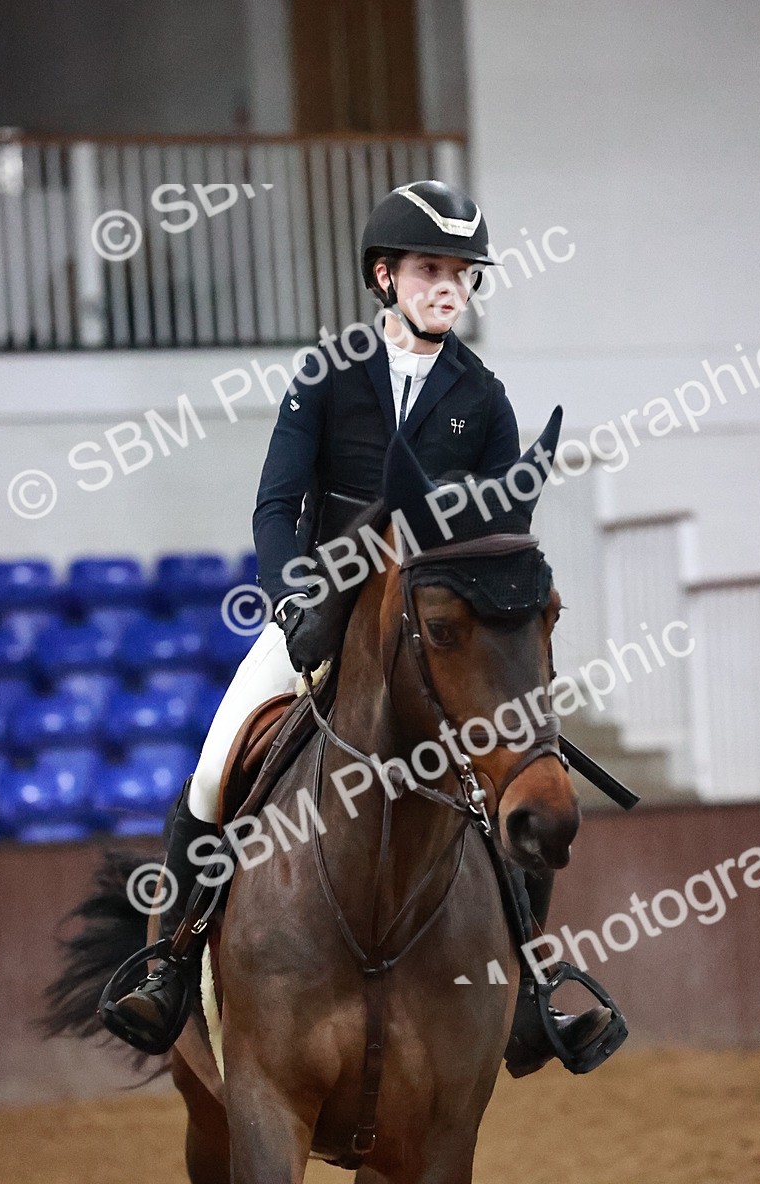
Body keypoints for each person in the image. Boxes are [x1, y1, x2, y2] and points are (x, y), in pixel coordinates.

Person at [100, 180, 622, 1073]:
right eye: (430, 270)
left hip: (431, 630)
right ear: (385, 276)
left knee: (520, 775)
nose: (449, 287)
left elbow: (503, 534)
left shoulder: (483, 397)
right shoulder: (329, 374)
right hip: (321, 611)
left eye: (461, 274)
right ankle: (172, 964)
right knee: (214, 769)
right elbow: (277, 505)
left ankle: (532, 990)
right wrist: (290, 598)